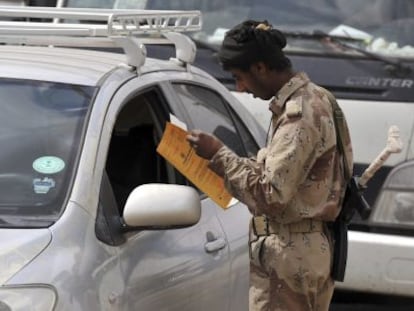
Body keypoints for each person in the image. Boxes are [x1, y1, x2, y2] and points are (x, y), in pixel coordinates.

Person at [186, 20, 353, 311]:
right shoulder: (314, 99)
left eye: (240, 77)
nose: (240, 88)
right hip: (302, 250)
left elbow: (272, 196)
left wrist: (219, 155)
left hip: (291, 255)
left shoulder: (300, 114)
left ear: (260, 68)